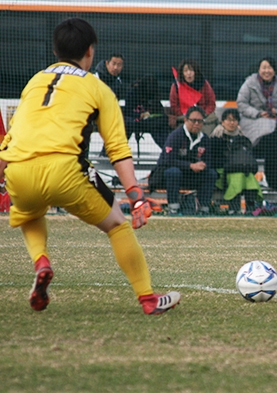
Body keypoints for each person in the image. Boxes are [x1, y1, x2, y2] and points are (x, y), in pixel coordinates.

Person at [0, 18, 180, 315]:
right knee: (117, 225)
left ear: (56, 50)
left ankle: (41, 261)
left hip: (18, 170)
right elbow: (117, 148)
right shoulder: (98, 88)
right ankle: (148, 298)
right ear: (90, 52)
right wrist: (135, 194)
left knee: (30, 214)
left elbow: (11, 138)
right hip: (65, 170)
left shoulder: (34, 82)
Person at [150, 106, 218, 216]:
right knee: (173, 172)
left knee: (211, 173)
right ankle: (173, 208)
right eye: (193, 120)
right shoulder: (175, 136)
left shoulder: (205, 139)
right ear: (186, 120)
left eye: (200, 121)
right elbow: (167, 161)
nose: (196, 124)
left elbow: (209, 160)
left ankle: (204, 208)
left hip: (192, 176)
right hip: (169, 177)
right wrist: (190, 165)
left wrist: (203, 165)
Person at [211, 108, 263, 214]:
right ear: (223, 121)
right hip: (222, 173)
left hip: (242, 171)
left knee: (247, 177)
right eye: (228, 120)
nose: (231, 123)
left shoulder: (244, 140)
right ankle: (235, 208)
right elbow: (214, 161)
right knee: (238, 176)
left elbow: (250, 160)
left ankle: (250, 209)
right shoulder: (215, 138)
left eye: (234, 120)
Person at [236, 57, 277, 145]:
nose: (267, 71)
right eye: (264, 68)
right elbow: (241, 103)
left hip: (275, 118)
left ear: (274, 70)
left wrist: (276, 112)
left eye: (269, 68)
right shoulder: (249, 83)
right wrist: (258, 113)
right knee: (265, 127)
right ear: (259, 69)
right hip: (252, 119)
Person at [122, 74, 171, 150]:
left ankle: (169, 151)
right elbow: (127, 111)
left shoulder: (154, 93)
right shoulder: (132, 94)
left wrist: (150, 114)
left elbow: (159, 112)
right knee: (125, 127)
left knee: (159, 127)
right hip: (134, 122)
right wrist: (139, 115)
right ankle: (109, 153)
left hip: (150, 123)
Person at [169, 59, 218, 136]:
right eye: (185, 71)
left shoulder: (204, 84)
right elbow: (174, 105)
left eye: (191, 70)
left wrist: (202, 115)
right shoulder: (176, 86)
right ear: (182, 73)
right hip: (183, 118)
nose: (189, 73)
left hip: (204, 118)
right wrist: (188, 117)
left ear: (195, 72)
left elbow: (211, 103)